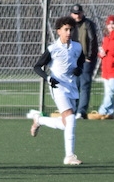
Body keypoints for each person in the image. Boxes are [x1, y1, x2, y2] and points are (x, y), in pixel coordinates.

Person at [27, 15, 86, 165]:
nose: (69, 33)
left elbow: (80, 62)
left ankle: (39, 120)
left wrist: (79, 69)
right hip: (57, 86)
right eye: (66, 29)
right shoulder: (52, 49)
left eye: (71, 30)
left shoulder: (77, 47)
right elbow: (37, 67)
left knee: (67, 124)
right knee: (70, 118)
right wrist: (48, 78)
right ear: (58, 31)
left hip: (71, 86)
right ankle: (69, 156)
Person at [89, 15, 114, 120]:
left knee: (110, 92)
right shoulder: (106, 38)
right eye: (109, 24)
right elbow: (103, 52)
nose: (111, 26)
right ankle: (110, 113)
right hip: (106, 70)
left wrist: (113, 60)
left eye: (113, 24)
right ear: (106, 26)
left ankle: (101, 111)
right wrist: (101, 54)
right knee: (108, 93)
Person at [70, 4, 98, 119]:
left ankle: (81, 111)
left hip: (86, 59)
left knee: (84, 84)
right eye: (75, 14)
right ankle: (73, 110)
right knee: (74, 85)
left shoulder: (88, 24)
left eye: (79, 13)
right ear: (71, 14)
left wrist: (89, 57)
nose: (77, 16)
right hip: (73, 60)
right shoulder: (69, 25)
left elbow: (92, 40)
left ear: (82, 13)